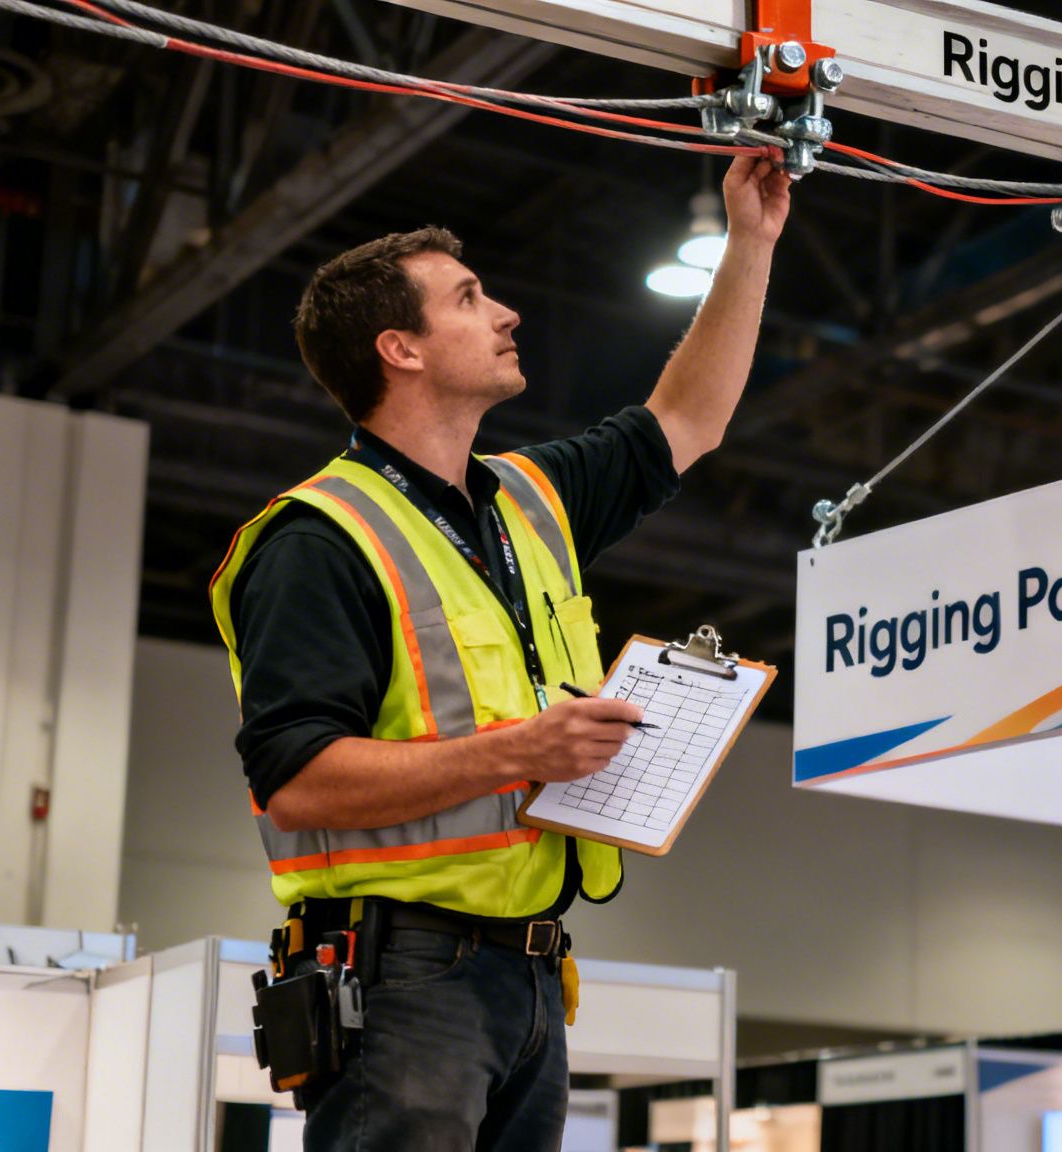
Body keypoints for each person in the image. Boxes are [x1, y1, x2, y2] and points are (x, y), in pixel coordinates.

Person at [208, 154, 791, 1151]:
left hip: (530, 975)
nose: (507, 312)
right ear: (399, 348)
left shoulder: (529, 498)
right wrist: (525, 750)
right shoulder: (316, 538)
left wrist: (751, 241)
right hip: (399, 982)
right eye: (470, 299)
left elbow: (687, 419)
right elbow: (295, 782)